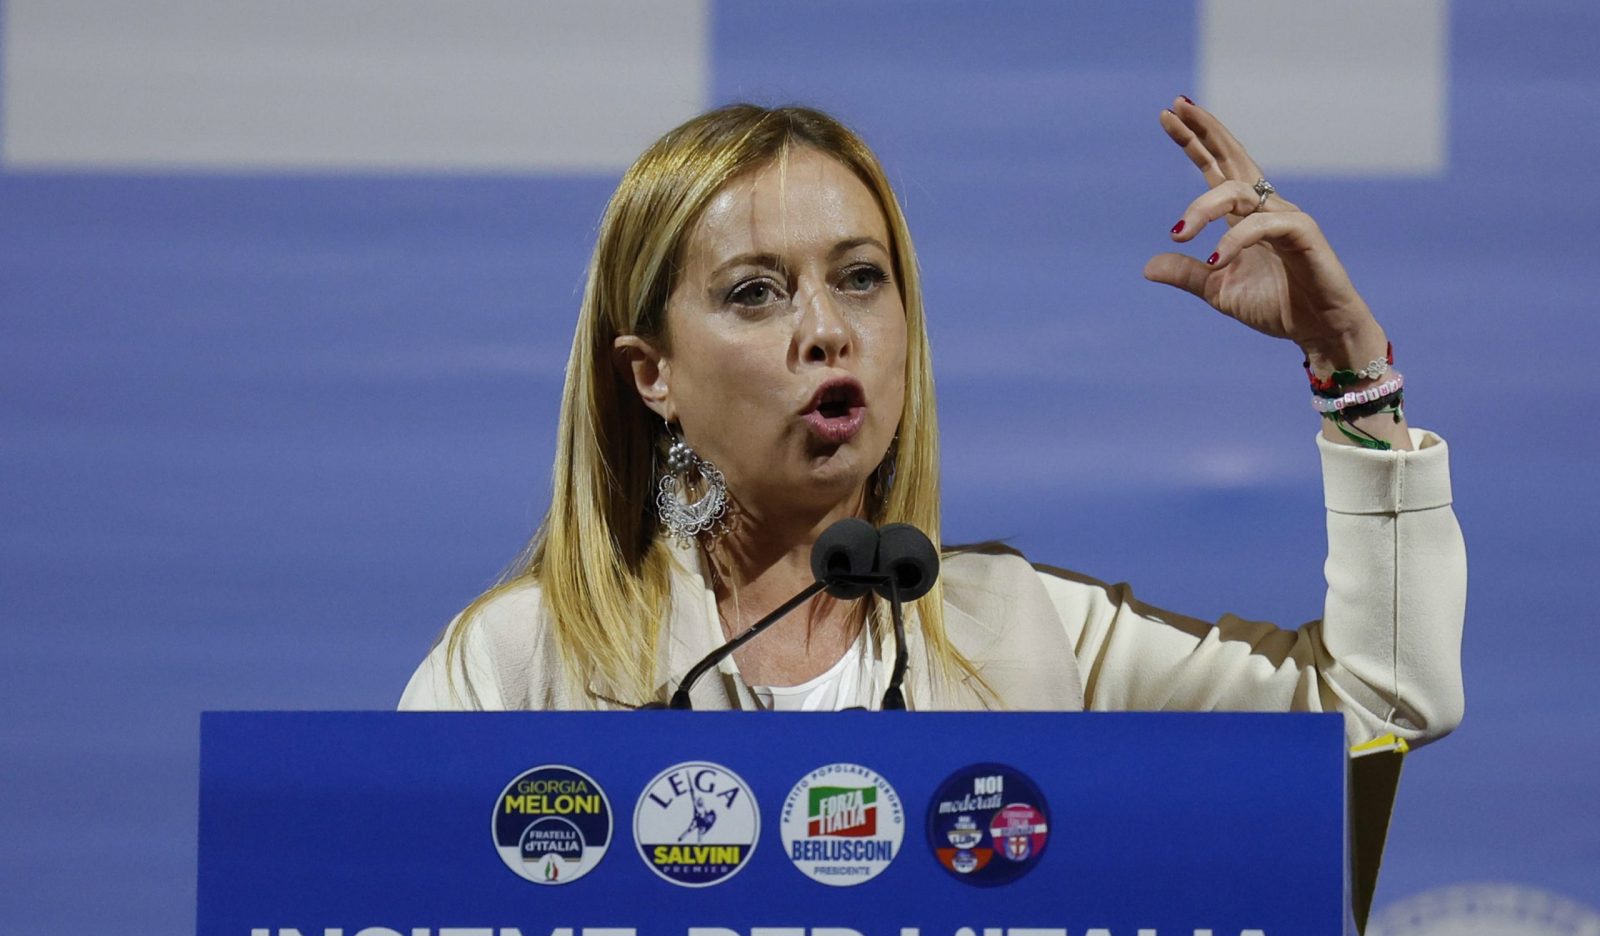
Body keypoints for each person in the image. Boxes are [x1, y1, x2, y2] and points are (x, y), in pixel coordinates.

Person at [399, 101, 1465, 747]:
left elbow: (1377, 708)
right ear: (651, 376)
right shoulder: (521, 663)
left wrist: (1351, 376)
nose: (827, 330)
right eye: (756, 292)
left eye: (860, 279)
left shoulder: (1027, 636)